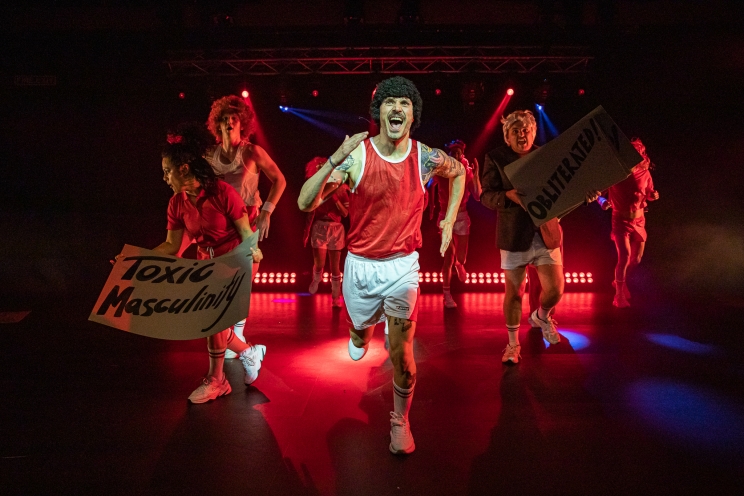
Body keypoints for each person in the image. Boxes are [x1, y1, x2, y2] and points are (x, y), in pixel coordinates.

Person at [298, 76, 466, 455]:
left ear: (413, 114)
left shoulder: (425, 157)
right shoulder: (357, 155)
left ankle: (400, 421)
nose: (397, 108)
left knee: (402, 353)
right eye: (390, 102)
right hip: (360, 266)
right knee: (360, 338)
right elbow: (305, 202)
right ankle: (361, 331)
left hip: (403, 267)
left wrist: (449, 217)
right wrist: (335, 159)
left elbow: (459, 172)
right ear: (379, 111)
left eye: (405, 103)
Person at [114, 123, 267, 404]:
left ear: (184, 169)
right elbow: (171, 246)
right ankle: (248, 353)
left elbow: (247, 234)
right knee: (209, 322)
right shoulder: (176, 204)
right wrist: (136, 259)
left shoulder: (222, 193)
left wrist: (253, 253)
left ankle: (217, 380)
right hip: (206, 266)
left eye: (167, 171)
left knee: (212, 321)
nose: (164, 178)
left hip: (236, 261)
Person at [481, 110, 598, 365]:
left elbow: (562, 192)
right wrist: (507, 196)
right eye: (516, 131)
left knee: (555, 290)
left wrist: (584, 197)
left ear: (534, 133)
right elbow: (485, 196)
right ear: (507, 136)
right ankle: (513, 345)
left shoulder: (546, 156)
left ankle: (542, 316)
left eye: (526, 130)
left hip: (545, 232)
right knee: (514, 292)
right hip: (513, 235)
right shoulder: (496, 158)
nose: (522, 135)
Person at [205, 95, 286, 356]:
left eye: (234, 118)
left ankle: (237, 334)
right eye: (224, 118)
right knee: (219, 286)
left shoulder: (251, 152)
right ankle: (228, 337)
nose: (229, 122)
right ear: (217, 124)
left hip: (246, 224)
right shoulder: (209, 155)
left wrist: (267, 210)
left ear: (242, 124)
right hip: (219, 227)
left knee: (241, 283)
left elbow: (280, 179)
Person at [597, 137, 659, 308]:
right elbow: (597, 193)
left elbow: (649, 193)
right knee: (624, 256)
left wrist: (653, 196)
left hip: (639, 220)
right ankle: (618, 295)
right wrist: (603, 201)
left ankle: (619, 281)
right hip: (620, 220)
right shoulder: (615, 174)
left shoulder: (645, 173)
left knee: (636, 259)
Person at [430, 139, 481, 308]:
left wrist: (476, 174)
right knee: (448, 257)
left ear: (462, 154)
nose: (456, 154)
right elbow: (429, 185)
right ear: (449, 154)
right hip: (445, 217)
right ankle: (447, 295)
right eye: (453, 152)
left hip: (461, 216)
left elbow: (477, 195)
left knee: (461, 258)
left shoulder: (466, 171)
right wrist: (430, 206)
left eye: (458, 152)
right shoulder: (440, 170)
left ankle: (460, 265)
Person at [303, 156, 350, 307]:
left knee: (335, 267)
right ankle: (316, 278)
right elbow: (309, 211)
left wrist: (335, 199)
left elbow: (345, 213)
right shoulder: (317, 190)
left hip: (336, 228)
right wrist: (306, 232)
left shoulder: (341, 189)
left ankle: (336, 297)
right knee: (320, 263)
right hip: (320, 227)